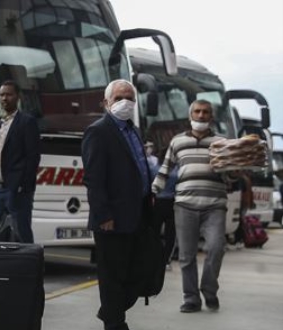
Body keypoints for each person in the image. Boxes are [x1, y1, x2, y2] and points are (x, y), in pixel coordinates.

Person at [152, 99, 236, 313]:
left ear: (211, 117)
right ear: (191, 116)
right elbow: (164, 170)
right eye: (197, 111)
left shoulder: (222, 142)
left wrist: (235, 170)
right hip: (184, 205)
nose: (201, 115)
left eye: (205, 112)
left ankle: (209, 290)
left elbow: (231, 176)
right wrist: (152, 192)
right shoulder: (177, 141)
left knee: (216, 248)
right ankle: (191, 299)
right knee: (186, 256)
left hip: (214, 205)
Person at [81, 79, 153, 330]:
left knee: (140, 270)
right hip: (111, 218)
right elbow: (93, 178)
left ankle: (110, 311)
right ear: (106, 102)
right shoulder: (98, 131)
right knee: (113, 276)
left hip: (137, 214)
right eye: (119, 98)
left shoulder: (132, 130)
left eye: (130, 98)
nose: (125, 103)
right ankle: (115, 322)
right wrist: (103, 215)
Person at [0, 81, 41, 243]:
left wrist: (22, 185)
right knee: (2, 232)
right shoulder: (0, 123)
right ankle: (6, 266)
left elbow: (33, 157)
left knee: (21, 232)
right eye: (2, 95)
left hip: (16, 189)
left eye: (8, 94)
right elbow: (1, 154)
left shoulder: (26, 122)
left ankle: (28, 266)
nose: (4, 98)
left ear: (18, 97)